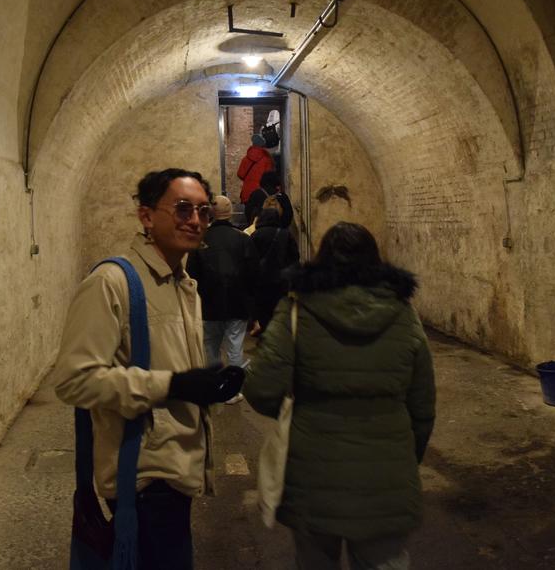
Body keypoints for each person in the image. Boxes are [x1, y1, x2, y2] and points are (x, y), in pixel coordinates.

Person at [52, 168, 245, 570]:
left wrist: (204, 384)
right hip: (144, 475)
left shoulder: (183, 283)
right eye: (183, 209)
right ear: (146, 216)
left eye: (204, 211)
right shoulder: (112, 282)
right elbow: (74, 380)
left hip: (175, 468)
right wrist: (172, 385)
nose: (195, 220)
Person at [243, 222, 436, 570]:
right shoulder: (404, 313)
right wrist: (407, 457)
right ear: (375, 260)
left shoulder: (297, 310)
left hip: (312, 475)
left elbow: (260, 387)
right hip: (386, 474)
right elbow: (422, 404)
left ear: (322, 259)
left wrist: (295, 411)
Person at [186, 196, 259, 405]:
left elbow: (192, 275)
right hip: (237, 302)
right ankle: (232, 391)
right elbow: (253, 273)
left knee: (210, 347)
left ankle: (214, 387)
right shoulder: (243, 239)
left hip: (208, 304)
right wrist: (252, 305)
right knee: (235, 347)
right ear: (231, 213)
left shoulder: (200, 240)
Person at [250, 208, 299, 332]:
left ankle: (266, 331)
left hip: (261, 280)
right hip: (280, 279)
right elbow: (295, 256)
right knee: (278, 308)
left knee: (263, 308)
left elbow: (249, 258)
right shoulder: (285, 234)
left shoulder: (256, 235)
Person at [236, 133, 275, 204]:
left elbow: (240, 174)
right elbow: (270, 178)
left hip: (247, 193)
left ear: (253, 144)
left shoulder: (245, 159)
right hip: (261, 194)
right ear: (262, 145)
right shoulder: (267, 160)